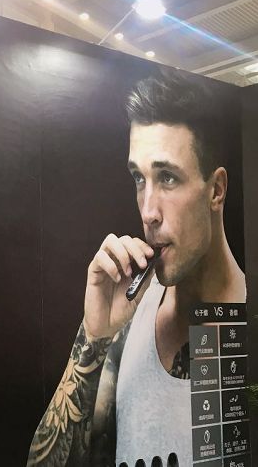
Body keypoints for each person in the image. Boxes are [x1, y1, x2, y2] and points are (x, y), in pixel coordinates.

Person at [26, 71, 246, 467]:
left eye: (167, 178)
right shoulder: (129, 316)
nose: (148, 211)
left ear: (216, 190)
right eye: (139, 179)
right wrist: (95, 335)